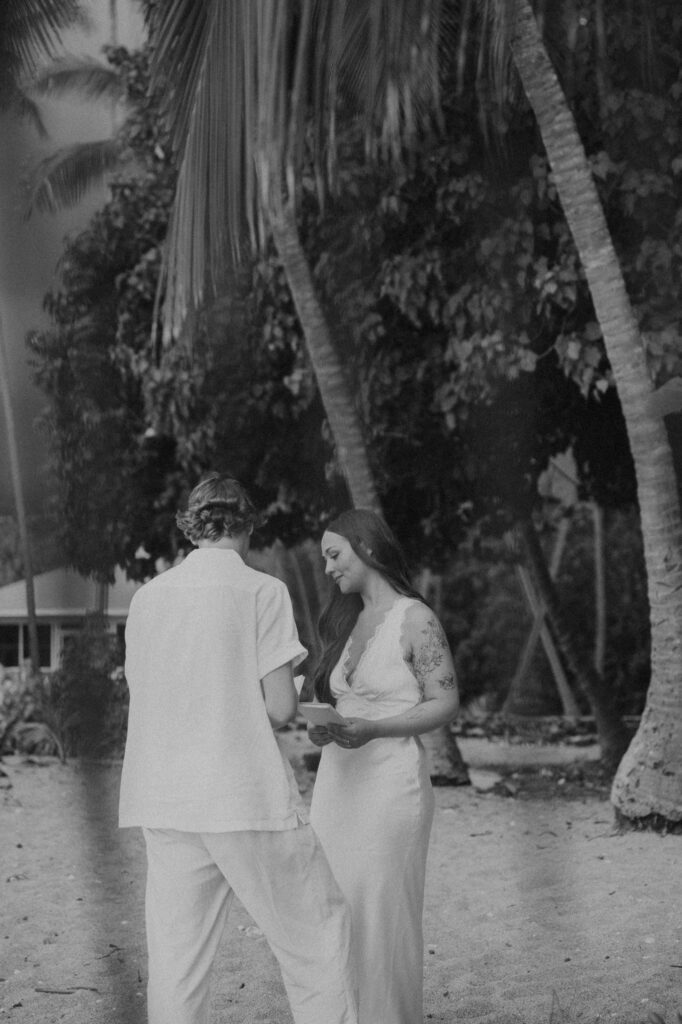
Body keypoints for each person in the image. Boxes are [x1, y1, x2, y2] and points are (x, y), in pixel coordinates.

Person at [119, 474, 358, 1024]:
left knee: (178, 965)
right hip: (241, 792)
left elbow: (145, 691)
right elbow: (278, 709)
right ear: (247, 525)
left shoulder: (148, 599)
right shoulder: (261, 590)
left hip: (165, 797)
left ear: (192, 528)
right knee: (316, 935)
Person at [308, 508, 460, 1024]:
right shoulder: (342, 620)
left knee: (382, 916)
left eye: (335, 554)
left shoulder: (415, 618)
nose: (328, 568)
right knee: (335, 910)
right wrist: (322, 728)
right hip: (335, 788)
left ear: (367, 547)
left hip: (391, 788)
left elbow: (444, 702)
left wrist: (375, 728)